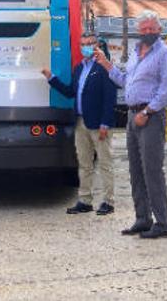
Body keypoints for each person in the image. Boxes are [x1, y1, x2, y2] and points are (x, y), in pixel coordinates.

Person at [94, 10, 167, 239]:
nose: (148, 32)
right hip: (132, 116)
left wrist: (148, 111)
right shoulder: (135, 52)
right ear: (138, 31)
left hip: (150, 115)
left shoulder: (164, 53)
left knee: (152, 171)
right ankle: (142, 219)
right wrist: (107, 65)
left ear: (159, 30)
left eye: (152, 28)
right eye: (144, 29)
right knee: (136, 171)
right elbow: (124, 81)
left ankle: (163, 223)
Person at [42, 31, 117, 216]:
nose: (86, 46)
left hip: (99, 124)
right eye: (83, 43)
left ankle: (108, 201)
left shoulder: (104, 67)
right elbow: (70, 92)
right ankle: (85, 200)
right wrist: (51, 78)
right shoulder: (79, 68)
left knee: (105, 164)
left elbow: (110, 98)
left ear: (97, 45)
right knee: (84, 164)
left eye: (90, 43)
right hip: (81, 122)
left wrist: (105, 124)